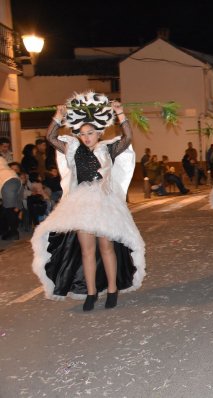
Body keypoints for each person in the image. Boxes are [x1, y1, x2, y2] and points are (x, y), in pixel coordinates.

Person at [31, 91, 145, 311]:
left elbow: (128, 137)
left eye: (90, 133)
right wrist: (58, 116)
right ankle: (91, 293)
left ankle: (112, 290)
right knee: (87, 250)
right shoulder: (73, 149)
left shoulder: (108, 149)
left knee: (106, 247)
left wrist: (121, 114)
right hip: (82, 204)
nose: (86, 137)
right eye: (82, 133)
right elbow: (51, 138)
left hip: (103, 203)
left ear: (99, 133)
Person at [0, 157, 23, 240]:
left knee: (9, 210)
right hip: (16, 181)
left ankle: (13, 233)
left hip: (6, 183)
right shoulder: (3, 161)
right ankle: (11, 232)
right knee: (9, 210)